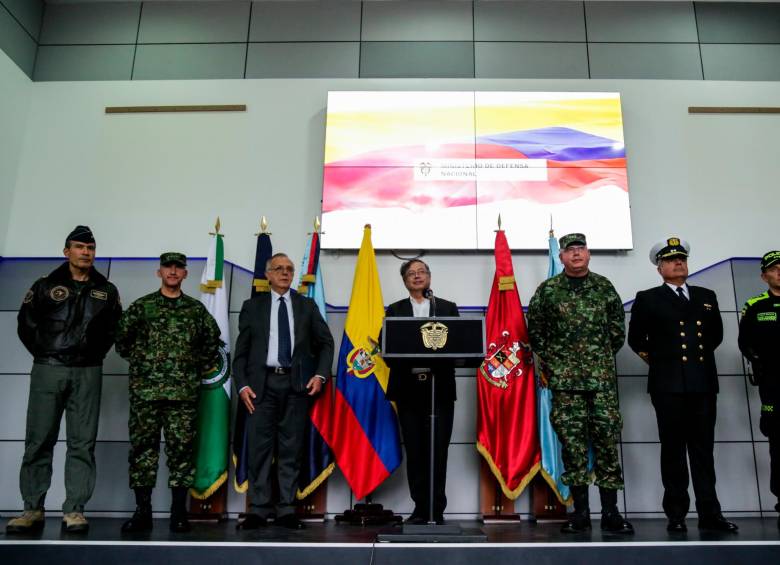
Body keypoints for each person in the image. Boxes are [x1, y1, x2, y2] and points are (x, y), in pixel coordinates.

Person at [7, 226, 121, 533]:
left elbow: (113, 330)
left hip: (87, 371)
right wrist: (47, 353)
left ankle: (74, 510)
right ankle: (32, 508)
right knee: (39, 440)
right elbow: (26, 324)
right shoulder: (45, 286)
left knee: (82, 443)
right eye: (79, 246)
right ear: (66, 251)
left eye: (90, 248)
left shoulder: (106, 291)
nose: (86, 252)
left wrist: (90, 354)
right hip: (49, 368)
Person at [628, 237, 737, 533]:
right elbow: (636, 339)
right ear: (660, 268)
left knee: (703, 451)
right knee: (673, 451)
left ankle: (710, 514)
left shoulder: (706, 295)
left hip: (702, 384)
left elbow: (714, 336)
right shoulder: (648, 298)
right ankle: (676, 514)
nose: (679, 263)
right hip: (668, 386)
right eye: (672, 260)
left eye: (682, 259)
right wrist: (664, 362)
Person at [528, 233, 633, 534]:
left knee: (606, 445)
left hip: (601, 383)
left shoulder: (604, 287)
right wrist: (561, 362)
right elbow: (536, 331)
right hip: (565, 384)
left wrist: (595, 360)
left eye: (580, 249)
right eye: (569, 250)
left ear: (588, 254)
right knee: (572, 448)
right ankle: (581, 514)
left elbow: (616, 331)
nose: (576, 254)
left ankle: (611, 513)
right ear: (560, 257)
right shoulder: (548, 291)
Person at [115, 252, 222, 533]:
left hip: (182, 396)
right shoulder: (142, 307)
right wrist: (145, 363)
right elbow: (122, 341)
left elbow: (212, 343)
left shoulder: (196, 311)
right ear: (159, 272)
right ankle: (143, 513)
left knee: (182, 454)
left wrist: (189, 369)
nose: (173, 272)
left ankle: (178, 513)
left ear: (185, 274)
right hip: (145, 394)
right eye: (168, 267)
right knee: (142, 452)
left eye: (178, 268)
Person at [233, 253, 334, 530]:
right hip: (260, 388)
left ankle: (287, 509)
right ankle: (259, 509)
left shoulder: (306, 306)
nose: (285, 273)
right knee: (259, 449)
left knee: (291, 449)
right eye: (278, 268)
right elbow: (240, 353)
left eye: (289, 269)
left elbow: (326, 343)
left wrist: (320, 375)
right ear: (268, 274)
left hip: (296, 386)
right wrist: (241, 385)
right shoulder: (252, 307)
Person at [385, 259, 459, 525]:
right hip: (408, 388)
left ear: (429, 277)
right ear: (405, 280)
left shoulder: (447, 308)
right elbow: (387, 350)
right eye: (411, 274)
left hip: (439, 389)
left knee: (438, 451)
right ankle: (420, 509)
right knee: (416, 452)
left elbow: (459, 345)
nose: (417, 277)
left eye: (421, 272)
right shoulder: (395, 310)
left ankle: (436, 510)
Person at [738, 250, 780, 530]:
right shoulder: (754, 306)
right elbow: (745, 343)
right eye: (774, 269)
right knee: (778, 444)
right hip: (774, 387)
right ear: (764, 275)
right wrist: (757, 361)